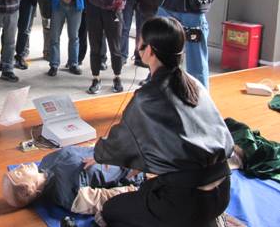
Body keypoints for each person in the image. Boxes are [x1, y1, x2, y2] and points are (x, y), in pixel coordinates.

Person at [86, 16, 234, 227]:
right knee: (149, 189)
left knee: (110, 210)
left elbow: (123, 139)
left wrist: (99, 153)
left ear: (149, 50)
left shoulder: (147, 97)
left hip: (187, 202)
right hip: (222, 192)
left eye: (140, 42)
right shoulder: (194, 84)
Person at [2, 146, 143, 216]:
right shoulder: (69, 196)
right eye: (19, 173)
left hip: (123, 147)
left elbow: (83, 150)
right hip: (136, 169)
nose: (21, 166)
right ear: (30, 190)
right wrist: (136, 191)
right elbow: (107, 199)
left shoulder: (46, 161)